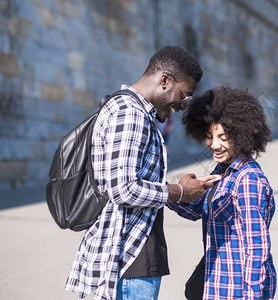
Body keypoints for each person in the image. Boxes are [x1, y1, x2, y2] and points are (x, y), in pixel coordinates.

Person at [65, 46, 213, 300]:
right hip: (129, 258)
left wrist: (178, 188)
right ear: (165, 80)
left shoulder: (134, 111)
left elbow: (134, 180)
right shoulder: (130, 113)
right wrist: (178, 192)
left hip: (133, 255)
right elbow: (123, 189)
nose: (183, 105)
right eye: (184, 96)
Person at [167, 86, 277, 299]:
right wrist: (173, 192)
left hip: (238, 288)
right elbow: (198, 210)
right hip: (218, 282)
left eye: (223, 137)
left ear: (242, 134)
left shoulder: (248, 179)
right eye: (209, 136)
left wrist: (252, 294)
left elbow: (256, 247)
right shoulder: (222, 170)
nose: (214, 145)